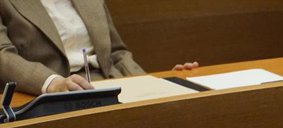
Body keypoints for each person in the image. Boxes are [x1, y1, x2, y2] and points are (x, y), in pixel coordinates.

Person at [0, 0, 198, 95]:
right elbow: (3, 54)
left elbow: (117, 53)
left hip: (109, 85)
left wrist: (154, 85)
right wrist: (53, 83)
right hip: (48, 94)